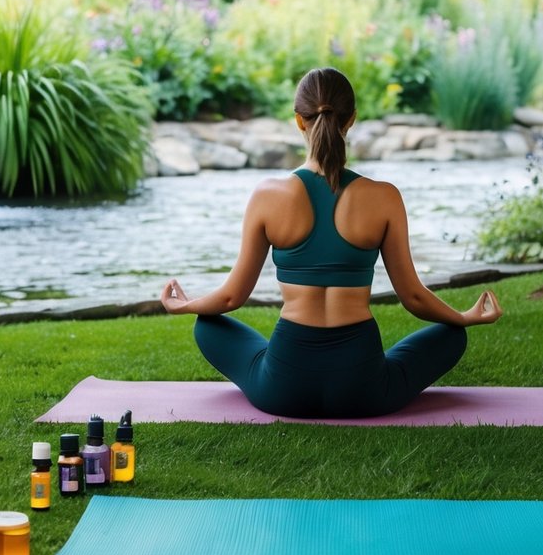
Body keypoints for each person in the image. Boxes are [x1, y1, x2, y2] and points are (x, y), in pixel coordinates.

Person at [160, 67, 503, 418]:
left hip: (282, 389)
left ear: (299, 121)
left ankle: (273, 366)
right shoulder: (383, 197)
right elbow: (413, 297)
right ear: (351, 120)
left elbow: (232, 297)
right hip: (364, 390)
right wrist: (463, 317)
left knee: (208, 325)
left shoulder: (268, 195)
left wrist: (187, 305)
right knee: (452, 336)